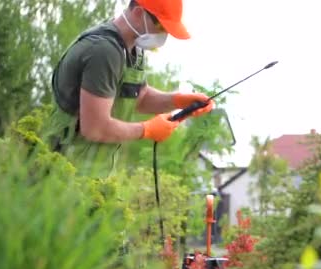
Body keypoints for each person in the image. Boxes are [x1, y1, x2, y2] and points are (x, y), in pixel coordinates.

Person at [46, 0, 215, 177]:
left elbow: (139, 97)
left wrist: (177, 100)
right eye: (160, 26)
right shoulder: (104, 51)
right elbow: (94, 128)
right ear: (138, 13)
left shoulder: (134, 49)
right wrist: (147, 130)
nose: (163, 35)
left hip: (95, 174)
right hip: (62, 170)